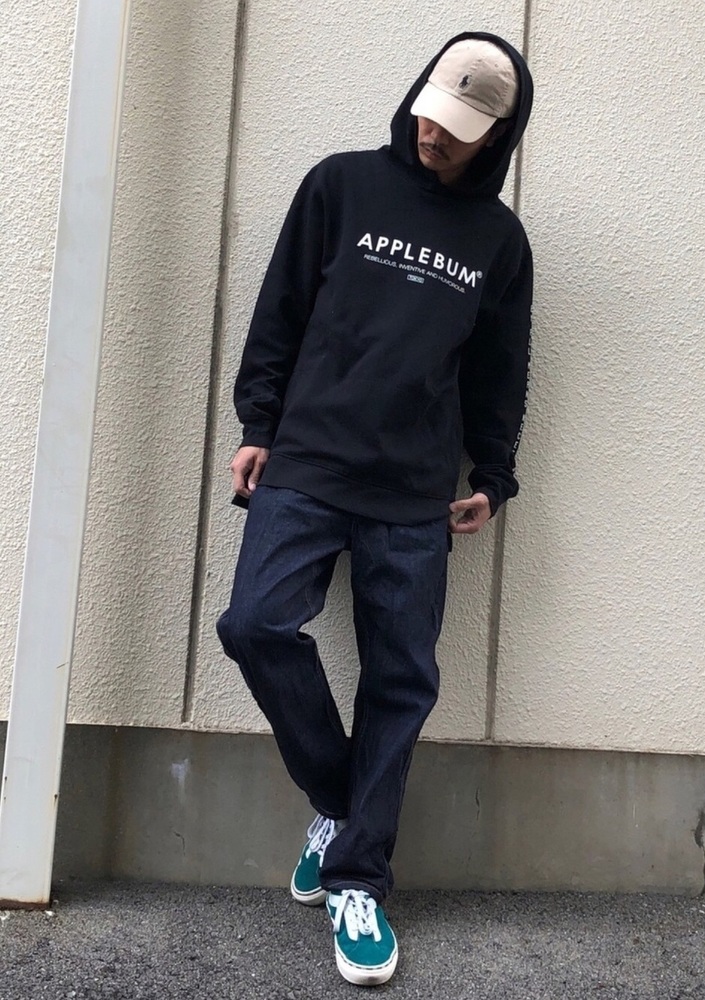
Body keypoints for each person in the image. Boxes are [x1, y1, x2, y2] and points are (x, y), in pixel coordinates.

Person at [217, 31, 534, 986]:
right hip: (308, 461)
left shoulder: (499, 242)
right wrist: (258, 422)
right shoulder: (340, 185)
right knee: (254, 624)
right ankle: (342, 799)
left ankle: (357, 877)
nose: (436, 135)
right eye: (433, 113)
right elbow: (280, 310)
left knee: (401, 681)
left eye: (461, 128)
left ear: (497, 135)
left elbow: (500, 370)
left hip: (414, 491)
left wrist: (495, 474)